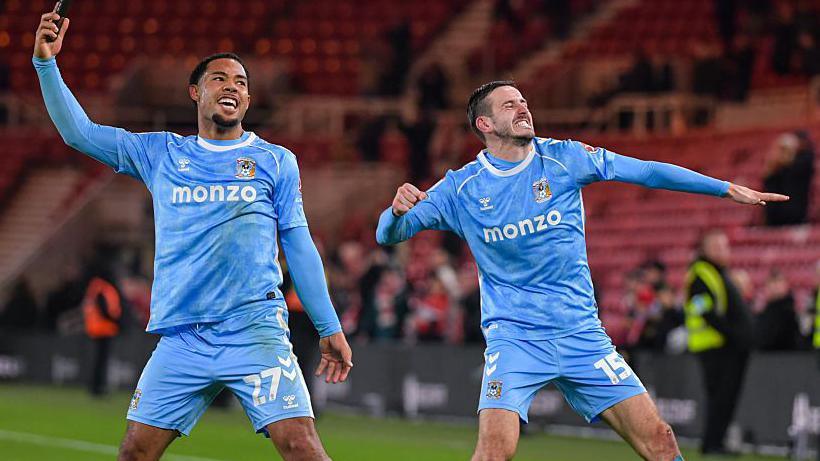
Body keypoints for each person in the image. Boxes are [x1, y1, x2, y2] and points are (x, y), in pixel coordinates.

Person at [376, 80, 788, 461]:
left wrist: (724, 188)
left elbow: (644, 170)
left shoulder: (564, 158)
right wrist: (395, 213)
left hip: (582, 338)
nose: (523, 108)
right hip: (515, 341)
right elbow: (390, 234)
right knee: (493, 452)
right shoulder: (461, 188)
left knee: (661, 442)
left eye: (523, 101)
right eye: (509, 104)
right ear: (484, 123)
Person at [33, 11, 352, 461]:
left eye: (241, 82)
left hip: (254, 330)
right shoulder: (161, 152)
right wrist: (46, 64)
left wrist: (328, 325)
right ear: (195, 92)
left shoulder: (276, 160)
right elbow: (78, 133)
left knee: (301, 445)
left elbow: (299, 245)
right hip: (183, 336)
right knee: (135, 452)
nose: (232, 87)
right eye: (219, 78)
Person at [684, 230, 754, 455]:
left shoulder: (716, 272)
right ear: (705, 250)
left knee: (724, 397)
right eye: (717, 247)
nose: (723, 252)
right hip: (713, 345)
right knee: (719, 398)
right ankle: (713, 443)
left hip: (721, 345)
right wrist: (733, 334)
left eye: (725, 247)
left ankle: (716, 442)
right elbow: (703, 310)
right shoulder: (701, 274)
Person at [82, 270, 123, 396]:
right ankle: (98, 388)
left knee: (98, 360)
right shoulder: (102, 289)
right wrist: (116, 321)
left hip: (97, 329)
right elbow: (106, 310)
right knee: (101, 361)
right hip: (105, 329)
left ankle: (96, 387)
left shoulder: (94, 289)